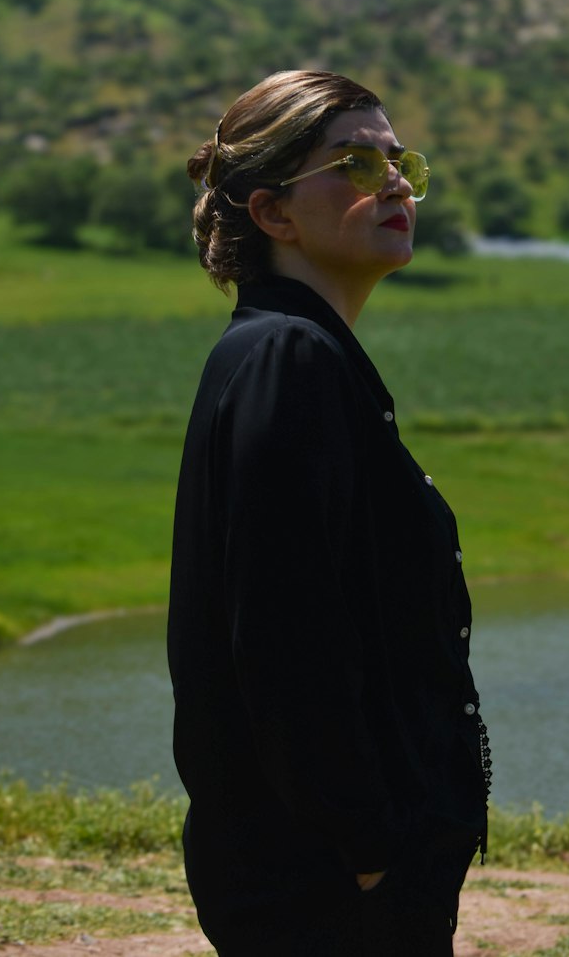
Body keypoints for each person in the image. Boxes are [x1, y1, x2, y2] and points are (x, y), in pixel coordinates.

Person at [167, 69, 491, 957]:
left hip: (332, 873)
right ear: (272, 213)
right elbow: (281, 635)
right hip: (325, 886)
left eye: (399, 163)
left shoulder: (299, 355)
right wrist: (371, 848)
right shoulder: (288, 360)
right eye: (352, 164)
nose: (392, 183)